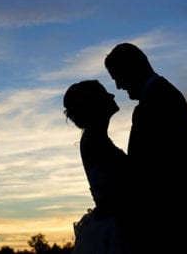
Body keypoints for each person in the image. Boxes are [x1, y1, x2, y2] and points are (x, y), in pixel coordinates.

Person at [104, 43, 187, 251]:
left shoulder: (155, 103)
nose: (118, 86)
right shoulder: (165, 95)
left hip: (174, 226)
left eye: (118, 77)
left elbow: (145, 170)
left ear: (132, 68)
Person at [63, 80, 134, 254]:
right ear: (95, 105)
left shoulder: (95, 139)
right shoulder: (95, 142)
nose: (112, 95)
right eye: (105, 93)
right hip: (117, 231)